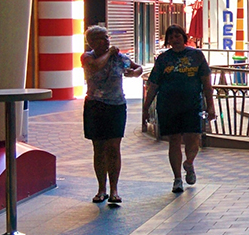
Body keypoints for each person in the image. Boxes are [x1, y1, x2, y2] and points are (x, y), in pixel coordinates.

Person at [143, 25, 216, 194]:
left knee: (193, 138)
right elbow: (153, 84)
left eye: (178, 36)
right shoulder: (163, 59)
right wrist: (146, 107)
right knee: (174, 140)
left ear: (184, 37)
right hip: (168, 106)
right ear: (168, 40)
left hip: (192, 105)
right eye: (171, 37)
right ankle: (177, 178)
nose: (175, 39)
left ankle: (189, 162)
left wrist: (210, 105)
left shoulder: (196, 55)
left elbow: (206, 83)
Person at [81, 25, 142, 207]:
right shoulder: (88, 57)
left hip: (116, 106)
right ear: (91, 42)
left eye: (107, 37)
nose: (106, 41)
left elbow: (137, 67)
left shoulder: (119, 58)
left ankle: (114, 189)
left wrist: (134, 73)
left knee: (113, 147)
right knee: (98, 147)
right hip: (95, 105)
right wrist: (109, 54)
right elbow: (96, 66)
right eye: (100, 38)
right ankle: (102, 189)